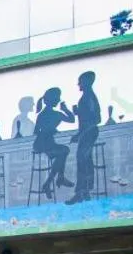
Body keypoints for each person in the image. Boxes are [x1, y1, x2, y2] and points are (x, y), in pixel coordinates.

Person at [32, 87, 76, 198]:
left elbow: (36, 131)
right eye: (57, 98)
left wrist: (50, 130)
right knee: (64, 151)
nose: (59, 99)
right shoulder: (54, 114)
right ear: (52, 100)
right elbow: (71, 119)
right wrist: (65, 109)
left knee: (63, 151)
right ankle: (57, 179)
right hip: (43, 144)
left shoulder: (43, 114)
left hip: (45, 143)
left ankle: (52, 181)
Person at [67, 71, 101, 205]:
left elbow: (96, 119)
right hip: (86, 132)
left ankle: (81, 192)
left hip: (89, 132)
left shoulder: (89, 97)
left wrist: (81, 134)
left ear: (86, 82)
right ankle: (85, 192)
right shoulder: (87, 97)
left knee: (83, 161)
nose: (78, 84)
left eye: (80, 81)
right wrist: (78, 113)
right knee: (85, 161)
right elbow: (87, 117)